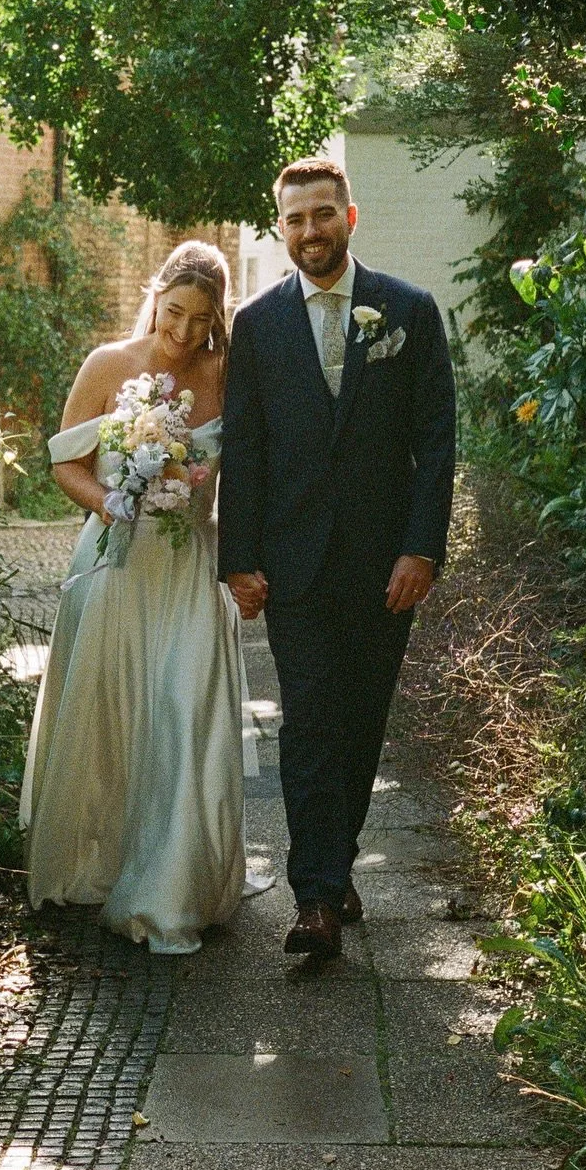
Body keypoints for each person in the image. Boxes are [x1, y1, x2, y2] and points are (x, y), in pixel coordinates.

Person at [219, 157, 457, 961]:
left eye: (323, 215)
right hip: (293, 566)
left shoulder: (409, 313)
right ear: (279, 227)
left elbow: (435, 442)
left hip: (385, 565)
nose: (309, 231)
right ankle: (316, 897)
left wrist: (422, 547)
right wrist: (238, 557)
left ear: (348, 219)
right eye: (295, 219)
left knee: (360, 724)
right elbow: (245, 449)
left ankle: (336, 859)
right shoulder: (255, 325)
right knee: (310, 722)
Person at [19, 240, 268, 954]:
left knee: (187, 712)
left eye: (201, 319)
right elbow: (63, 459)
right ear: (156, 293)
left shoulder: (227, 372)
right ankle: (94, 861)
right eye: (176, 311)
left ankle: (175, 885)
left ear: (219, 318)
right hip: (116, 565)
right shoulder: (109, 364)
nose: (184, 331)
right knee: (108, 710)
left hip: (191, 568)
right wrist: (107, 502)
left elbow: (250, 468)